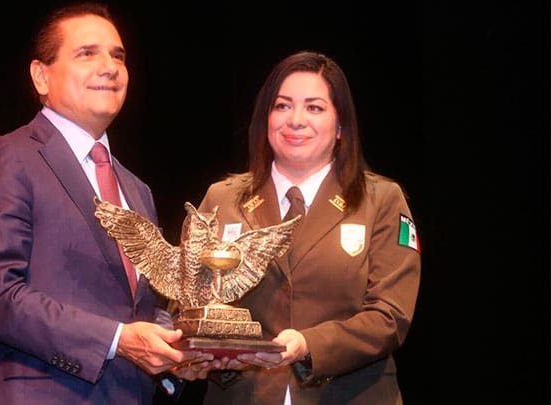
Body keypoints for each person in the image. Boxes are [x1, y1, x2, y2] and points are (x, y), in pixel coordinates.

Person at [0, 3, 209, 404]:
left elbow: (141, 313)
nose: (109, 67)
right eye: (87, 53)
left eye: (118, 56)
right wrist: (117, 339)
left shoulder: (136, 189)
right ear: (41, 75)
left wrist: (173, 358)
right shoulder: (7, 158)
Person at [172, 51, 421, 404]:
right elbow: (183, 299)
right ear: (265, 118)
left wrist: (309, 345)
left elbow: (390, 316)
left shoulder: (380, 199)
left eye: (314, 107)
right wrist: (199, 354)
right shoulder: (222, 199)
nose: (296, 120)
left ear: (341, 126)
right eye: (282, 106)